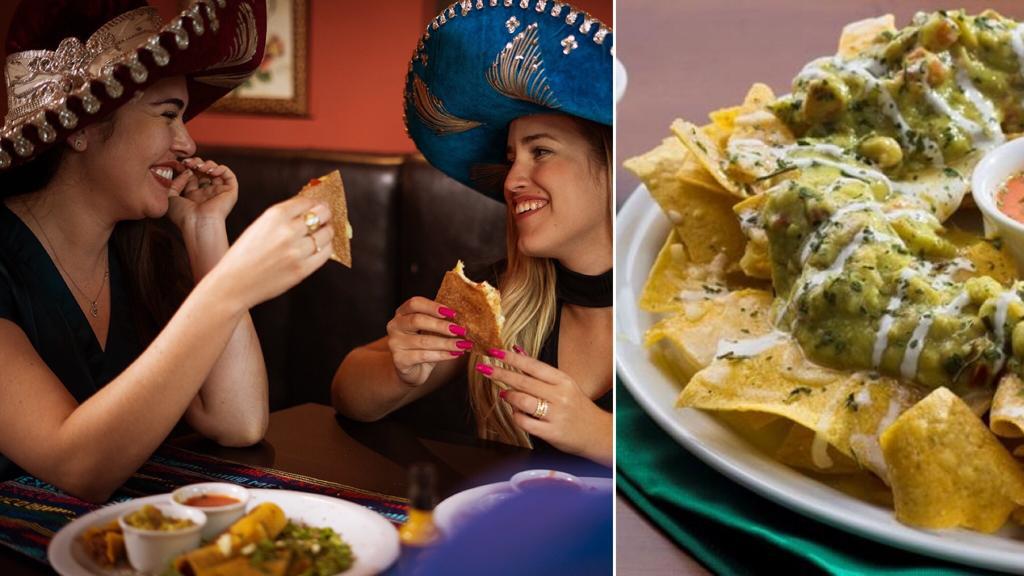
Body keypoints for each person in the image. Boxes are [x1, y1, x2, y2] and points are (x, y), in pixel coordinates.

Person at [0, 0, 336, 502]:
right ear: (80, 129)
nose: (187, 142)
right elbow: (77, 466)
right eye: (167, 115)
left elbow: (238, 420)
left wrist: (205, 232)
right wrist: (228, 289)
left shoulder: (139, 250)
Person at [332, 2, 613, 467]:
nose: (511, 180)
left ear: (612, 164)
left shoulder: (687, 303)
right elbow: (348, 393)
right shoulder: (495, 297)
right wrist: (399, 370)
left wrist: (600, 435)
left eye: (540, 151)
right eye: (510, 159)